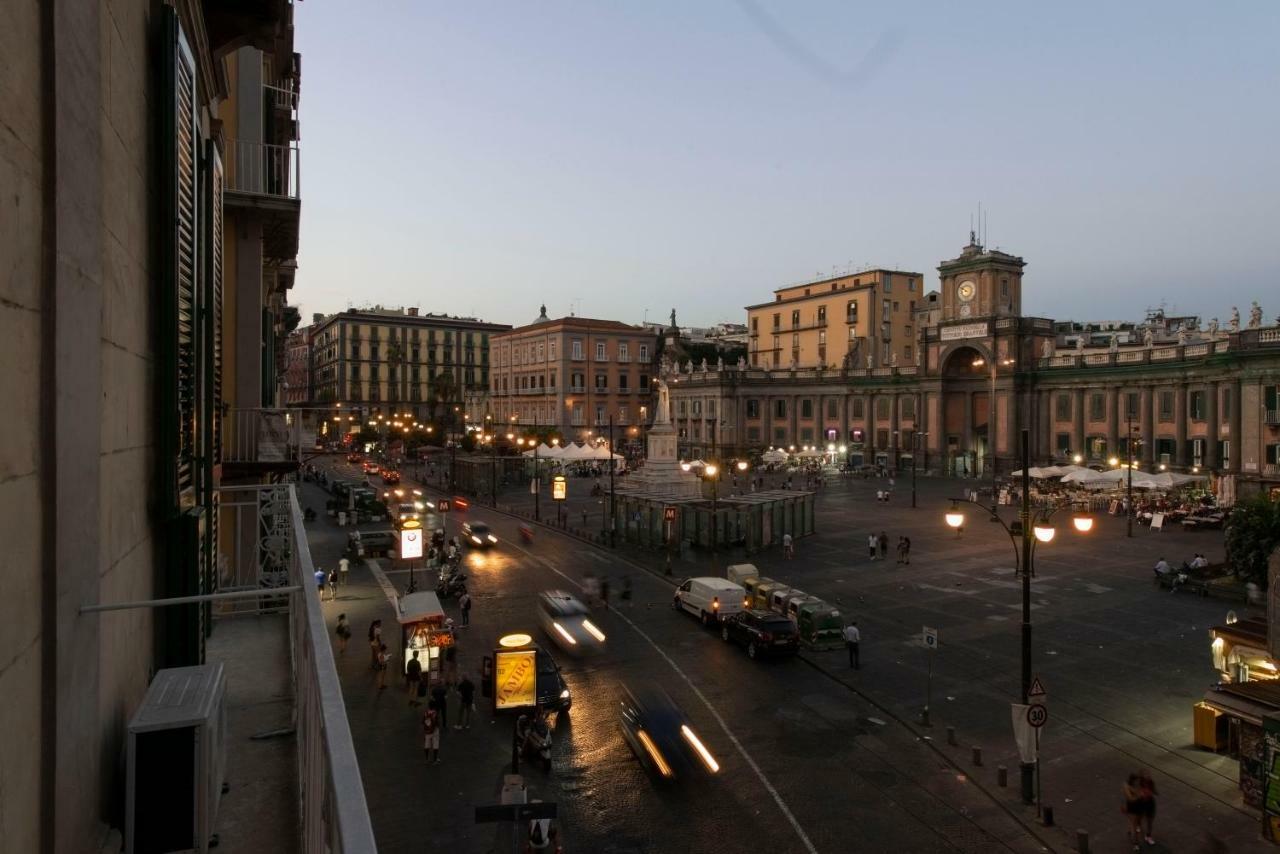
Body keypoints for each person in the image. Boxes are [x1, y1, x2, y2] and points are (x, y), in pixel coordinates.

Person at [1122, 773, 1143, 851]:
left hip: (1140, 805)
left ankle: (1132, 828)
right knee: (1134, 825)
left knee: (1139, 822)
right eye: (1137, 781)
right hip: (1132, 807)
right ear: (1133, 780)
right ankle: (1136, 844)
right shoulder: (1126, 786)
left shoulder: (1139, 784)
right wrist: (1139, 795)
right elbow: (1130, 799)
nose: (1138, 782)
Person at [1137, 769, 1158, 846]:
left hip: (1150, 803)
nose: (1149, 776)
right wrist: (1142, 794)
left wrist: (1153, 792)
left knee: (1150, 821)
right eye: (1146, 775)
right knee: (1140, 816)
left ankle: (1148, 836)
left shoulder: (1151, 782)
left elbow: (1155, 791)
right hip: (1142, 803)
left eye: (1149, 775)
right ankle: (1138, 825)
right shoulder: (1139, 784)